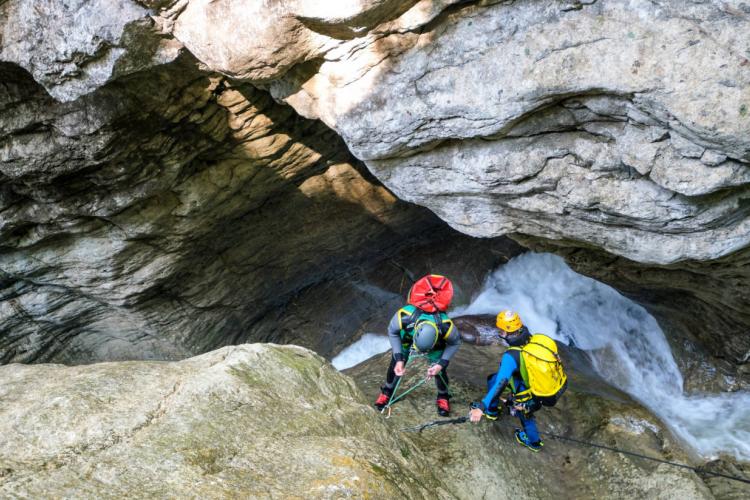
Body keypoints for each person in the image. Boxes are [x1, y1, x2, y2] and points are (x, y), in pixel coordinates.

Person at [469, 310, 549, 452]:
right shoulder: (534, 339)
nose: (499, 332)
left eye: (500, 330)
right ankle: (492, 411)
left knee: (525, 414)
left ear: (506, 332)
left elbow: (501, 383)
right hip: (541, 384)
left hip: (526, 390)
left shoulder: (511, 356)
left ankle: (534, 442)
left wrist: (481, 406)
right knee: (492, 379)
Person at [374, 302, 462, 416]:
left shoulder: (446, 326)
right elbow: (392, 332)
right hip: (407, 336)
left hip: (436, 345)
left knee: (439, 370)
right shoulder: (404, 316)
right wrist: (399, 358)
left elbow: (455, 343)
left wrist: (440, 364)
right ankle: (387, 391)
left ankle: (443, 396)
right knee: (396, 362)